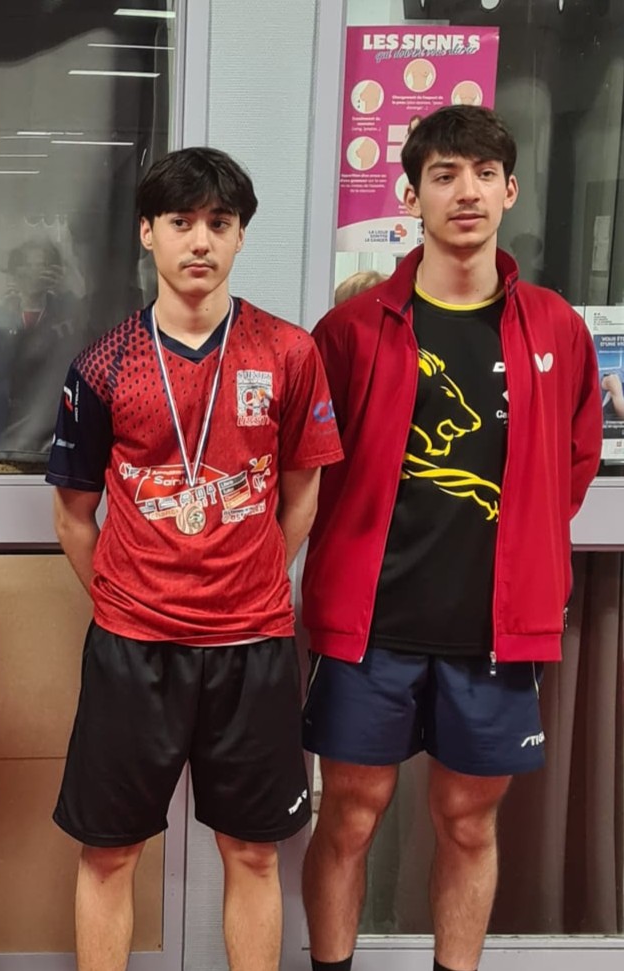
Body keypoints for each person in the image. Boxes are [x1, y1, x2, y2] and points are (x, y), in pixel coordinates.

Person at [301, 105, 602, 971]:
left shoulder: (554, 327)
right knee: (348, 815)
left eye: (482, 174)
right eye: (443, 175)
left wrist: (523, 548)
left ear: (509, 191)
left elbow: (573, 461)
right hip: (370, 625)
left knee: (468, 821)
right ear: (411, 195)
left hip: (495, 629)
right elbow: (313, 471)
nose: (464, 191)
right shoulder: (352, 331)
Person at [46, 147, 344, 971]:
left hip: (251, 645)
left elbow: (302, 497)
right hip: (132, 647)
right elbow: (72, 515)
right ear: (147, 232)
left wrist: (249, 578)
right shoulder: (103, 363)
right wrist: (126, 595)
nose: (200, 241)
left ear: (241, 235)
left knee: (252, 851)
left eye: (219, 222)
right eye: (180, 222)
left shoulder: (286, 352)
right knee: (109, 852)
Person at [0, 238, 83, 462]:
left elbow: (80, 348)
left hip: (52, 411)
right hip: (7, 414)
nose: (35, 273)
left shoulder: (66, 311)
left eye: (42, 266)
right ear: (15, 272)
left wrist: (66, 291)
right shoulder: (2, 312)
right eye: (28, 266)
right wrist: (6, 319)